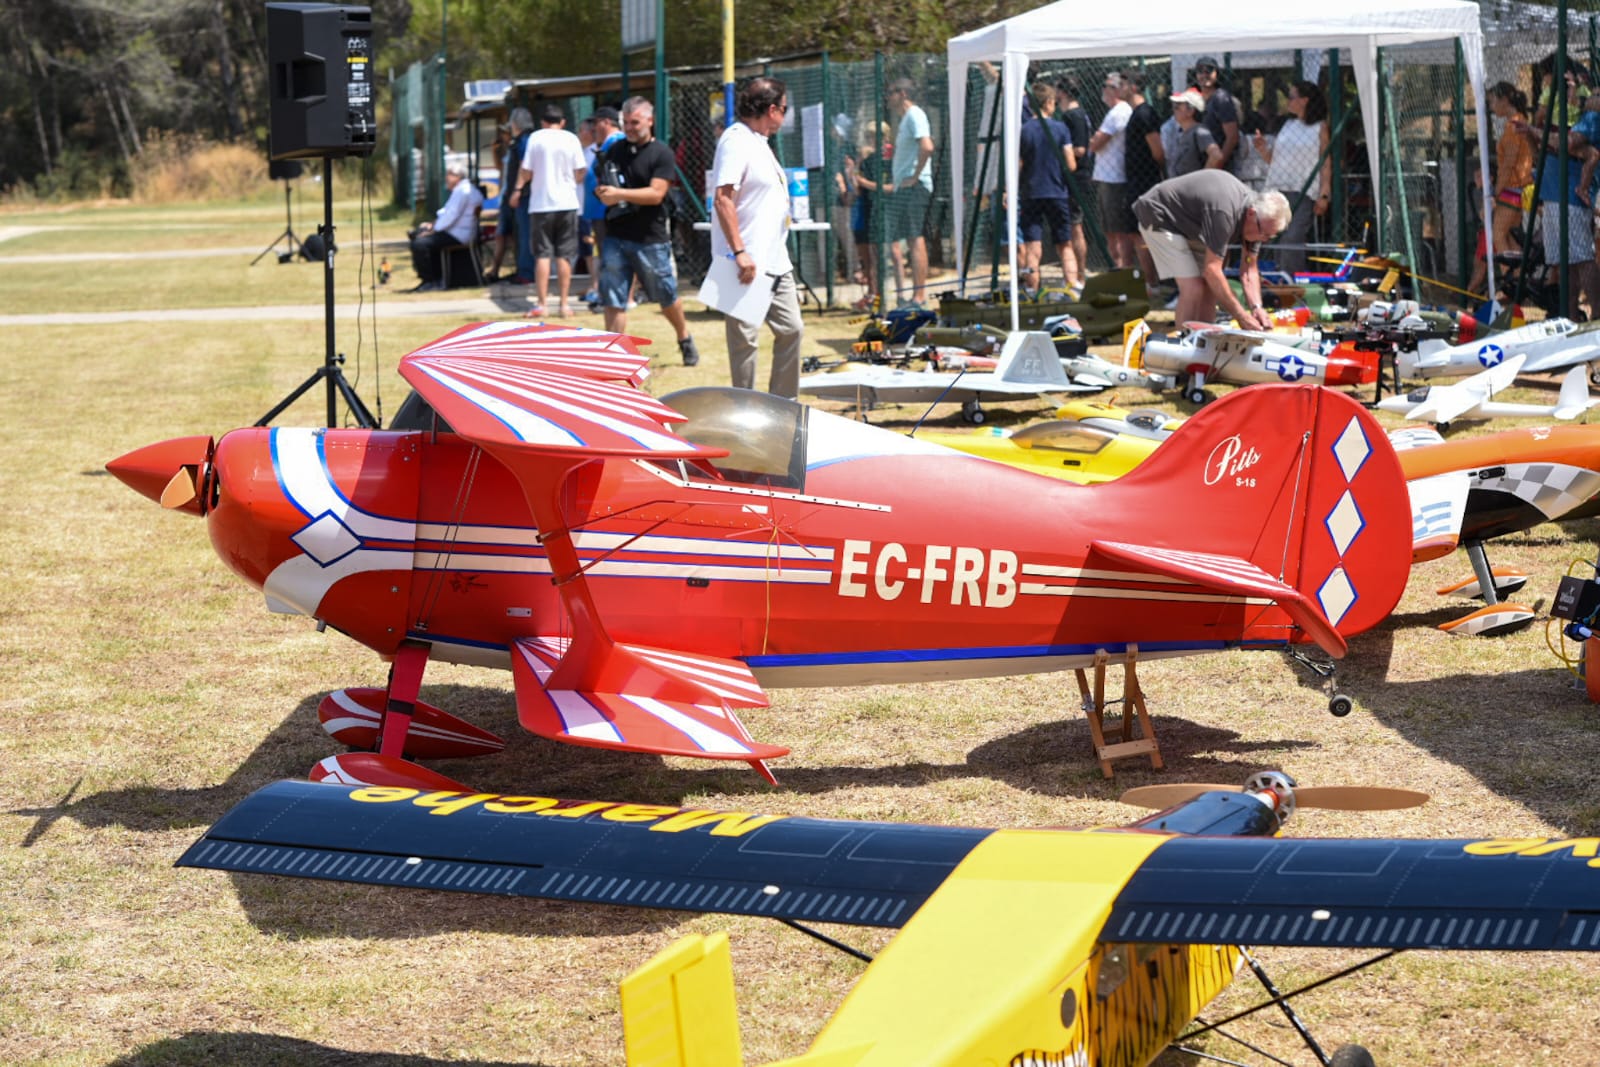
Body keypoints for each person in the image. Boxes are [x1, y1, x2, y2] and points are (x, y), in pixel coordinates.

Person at [711, 76, 804, 398]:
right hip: (744, 261)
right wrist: (739, 252)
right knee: (745, 343)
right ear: (773, 109)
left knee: (792, 330)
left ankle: (784, 404)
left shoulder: (759, 142)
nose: (785, 115)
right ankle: (744, 407)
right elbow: (723, 198)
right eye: (785, 109)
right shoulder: (736, 140)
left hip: (776, 260)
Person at [592, 97, 700, 366]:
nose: (629, 128)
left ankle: (684, 337)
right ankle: (613, 356)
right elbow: (606, 184)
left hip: (650, 237)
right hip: (615, 235)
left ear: (649, 121)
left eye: (635, 122)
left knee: (666, 294)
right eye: (626, 123)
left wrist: (618, 193)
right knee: (613, 297)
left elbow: (656, 193)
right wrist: (604, 193)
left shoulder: (661, 153)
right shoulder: (614, 151)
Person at [1133, 170, 1290, 329]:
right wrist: (1241, 316)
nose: (1264, 240)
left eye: (1270, 237)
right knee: (1193, 288)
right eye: (1264, 234)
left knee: (1210, 288)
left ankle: (1206, 343)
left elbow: (1249, 269)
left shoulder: (1260, 222)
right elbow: (1212, 270)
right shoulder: (1225, 213)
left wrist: (1257, 308)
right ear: (1251, 213)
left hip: (1191, 225)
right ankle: (1183, 343)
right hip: (1159, 215)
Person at [1519, 84, 1600, 318]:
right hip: (1552, 195)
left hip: (1572, 199)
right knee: (1562, 263)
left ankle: (1597, 314)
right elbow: (1542, 153)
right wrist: (1530, 135)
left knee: (1582, 258)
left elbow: (1568, 143)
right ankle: (1569, 315)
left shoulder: (1591, 119)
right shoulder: (1559, 121)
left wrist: (1535, 131)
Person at [510, 103, 587, 317]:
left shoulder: (536, 138)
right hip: (567, 203)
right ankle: (564, 304)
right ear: (562, 122)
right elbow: (580, 170)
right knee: (564, 255)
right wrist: (571, 182)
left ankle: (542, 304)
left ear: (542, 122)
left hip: (541, 203)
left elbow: (526, 170)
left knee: (542, 255)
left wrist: (523, 185)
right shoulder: (571, 138)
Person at [1256, 80, 1331, 276]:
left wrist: (1324, 193)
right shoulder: (1287, 125)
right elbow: (1275, 159)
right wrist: (1263, 149)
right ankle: (1277, 279)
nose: (1287, 101)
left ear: (1305, 100)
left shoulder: (1319, 127)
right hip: (1277, 189)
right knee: (1275, 237)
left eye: (1291, 96)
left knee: (1292, 239)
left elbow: (1325, 161)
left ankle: (1291, 283)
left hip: (1303, 190)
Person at [1469, 83, 1534, 297]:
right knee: (1511, 238)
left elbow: (1508, 164)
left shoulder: (1514, 126)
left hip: (1512, 189)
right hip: (1519, 188)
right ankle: (1517, 281)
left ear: (1505, 99)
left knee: (1497, 234)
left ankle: (1511, 284)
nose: (1491, 106)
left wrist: (1494, 193)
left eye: (1493, 101)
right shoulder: (1519, 123)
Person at [1017, 79, 1076, 293]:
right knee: (1065, 243)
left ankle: (1032, 289)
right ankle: (1072, 286)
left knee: (1033, 244)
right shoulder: (1060, 129)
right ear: (1049, 102)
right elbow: (1071, 163)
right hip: (1057, 191)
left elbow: (1018, 165)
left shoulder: (1024, 130)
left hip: (1031, 192)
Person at [884, 77, 935, 306]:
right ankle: (914, 295)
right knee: (911, 239)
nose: (888, 97)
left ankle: (919, 296)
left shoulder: (915, 115)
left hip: (915, 187)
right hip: (905, 188)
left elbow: (927, 146)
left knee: (916, 239)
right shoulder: (905, 119)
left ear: (903, 93)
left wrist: (915, 176)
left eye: (891, 92)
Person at [406, 162, 482, 292]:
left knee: (420, 244)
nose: (447, 177)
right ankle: (434, 277)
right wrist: (432, 225)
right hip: (455, 231)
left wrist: (433, 230)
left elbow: (452, 216)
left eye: (450, 174)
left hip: (459, 234)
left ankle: (430, 280)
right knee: (417, 233)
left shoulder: (463, 191)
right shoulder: (462, 190)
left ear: (458, 177)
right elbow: (446, 213)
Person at [1121, 71, 1165, 292]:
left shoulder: (1145, 114)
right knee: (1135, 233)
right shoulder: (1135, 113)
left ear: (1134, 87)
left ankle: (1153, 283)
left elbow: (1157, 151)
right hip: (1135, 180)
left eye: (1123, 83)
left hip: (1145, 181)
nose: (1120, 87)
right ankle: (1150, 281)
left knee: (1143, 233)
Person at [1090, 70, 1135, 270]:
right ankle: (1116, 266)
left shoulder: (1119, 111)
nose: (1103, 90)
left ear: (1115, 90)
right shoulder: (1115, 112)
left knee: (1118, 229)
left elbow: (1097, 142)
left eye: (1106, 86)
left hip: (1114, 178)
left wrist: (1093, 141)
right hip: (1109, 177)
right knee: (1110, 228)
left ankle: (1123, 267)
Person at [845, 121, 891, 311]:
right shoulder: (864, 156)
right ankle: (871, 294)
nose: (872, 140)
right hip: (861, 210)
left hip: (875, 210)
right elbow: (856, 187)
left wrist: (860, 177)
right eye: (870, 136)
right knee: (865, 256)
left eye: (877, 136)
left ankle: (878, 296)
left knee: (876, 256)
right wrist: (853, 170)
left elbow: (877, 185)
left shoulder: (887, 155)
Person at [581, 106, 624, 298]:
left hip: (606, 209)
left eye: (596, 123)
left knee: (611, 253)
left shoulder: (615, 142)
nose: (593, 129)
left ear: (606, 122)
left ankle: (615, 291)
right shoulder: (606, 143)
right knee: (603, 251)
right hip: (599, 209)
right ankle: (603, 289)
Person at [1053, 77, 1091, 289]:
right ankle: (1075, 274)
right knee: (1072, 226)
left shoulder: (1072, 116)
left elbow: (1080, 149)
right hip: (1072, 177)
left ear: (1063, 93)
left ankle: (1080, 276)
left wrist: (1058, 152)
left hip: (1075, 178)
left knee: (1075, 227)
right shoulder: (1075, 114)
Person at [502, 108, 535, 286]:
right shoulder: (523, 140)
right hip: (523, 196)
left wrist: (517, 190)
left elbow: (525, 166)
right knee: (521, 233)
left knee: (525, 234)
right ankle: (524, 270)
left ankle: (526, 272)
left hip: (525, 196)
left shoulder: (524, 141)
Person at [1193, 57, 1241, 172]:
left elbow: (1232, 137)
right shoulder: (1196, 99)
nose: (1204, 75)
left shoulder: (1221, 98)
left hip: (1219, 168)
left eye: (1208, 70)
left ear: (1216, 74)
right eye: (1200, 71)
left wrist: (1217, 164)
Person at [1167, 88, 1220, 178]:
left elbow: (1216, 155)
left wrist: (1200, 180)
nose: (1174, 109)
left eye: (1178, 106)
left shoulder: (1199, 131)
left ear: (1190, 111)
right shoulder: (1182, 132)